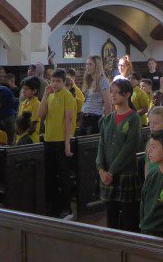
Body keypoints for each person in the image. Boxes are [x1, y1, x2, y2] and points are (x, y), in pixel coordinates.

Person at [97, 79, 142, 231]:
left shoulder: (133, 118)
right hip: (107, 175)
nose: (113, 95)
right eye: (112, 92)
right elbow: (101, 145)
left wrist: (111, 171)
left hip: (125, 173)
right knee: (111, 216)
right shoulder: (108, 119)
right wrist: (101, 169)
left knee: (129, 217)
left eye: (117, 92)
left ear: (127, 94)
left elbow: (129, 149)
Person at [39, 68, 77, 219]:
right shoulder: (50, 95)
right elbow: (41, 114)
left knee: (63, 176)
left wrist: (67, 143)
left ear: (63, 81)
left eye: (58, 81)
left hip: (62, 140)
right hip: (49, 140)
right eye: (53, 81)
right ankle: (52, 206)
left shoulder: (67, 96)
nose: (54, 84)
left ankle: (66, 208)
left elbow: (68, 120)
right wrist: (45, 95)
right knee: (50, 176)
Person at [79, 55, 112, 135]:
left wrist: (107, 122)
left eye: (90, 64)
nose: (87, 67)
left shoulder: (103, 81)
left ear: (97, 66)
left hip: (94, 117)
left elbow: (107, 103)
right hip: (84, 115)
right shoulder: (89, 80)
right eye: (86, 64)